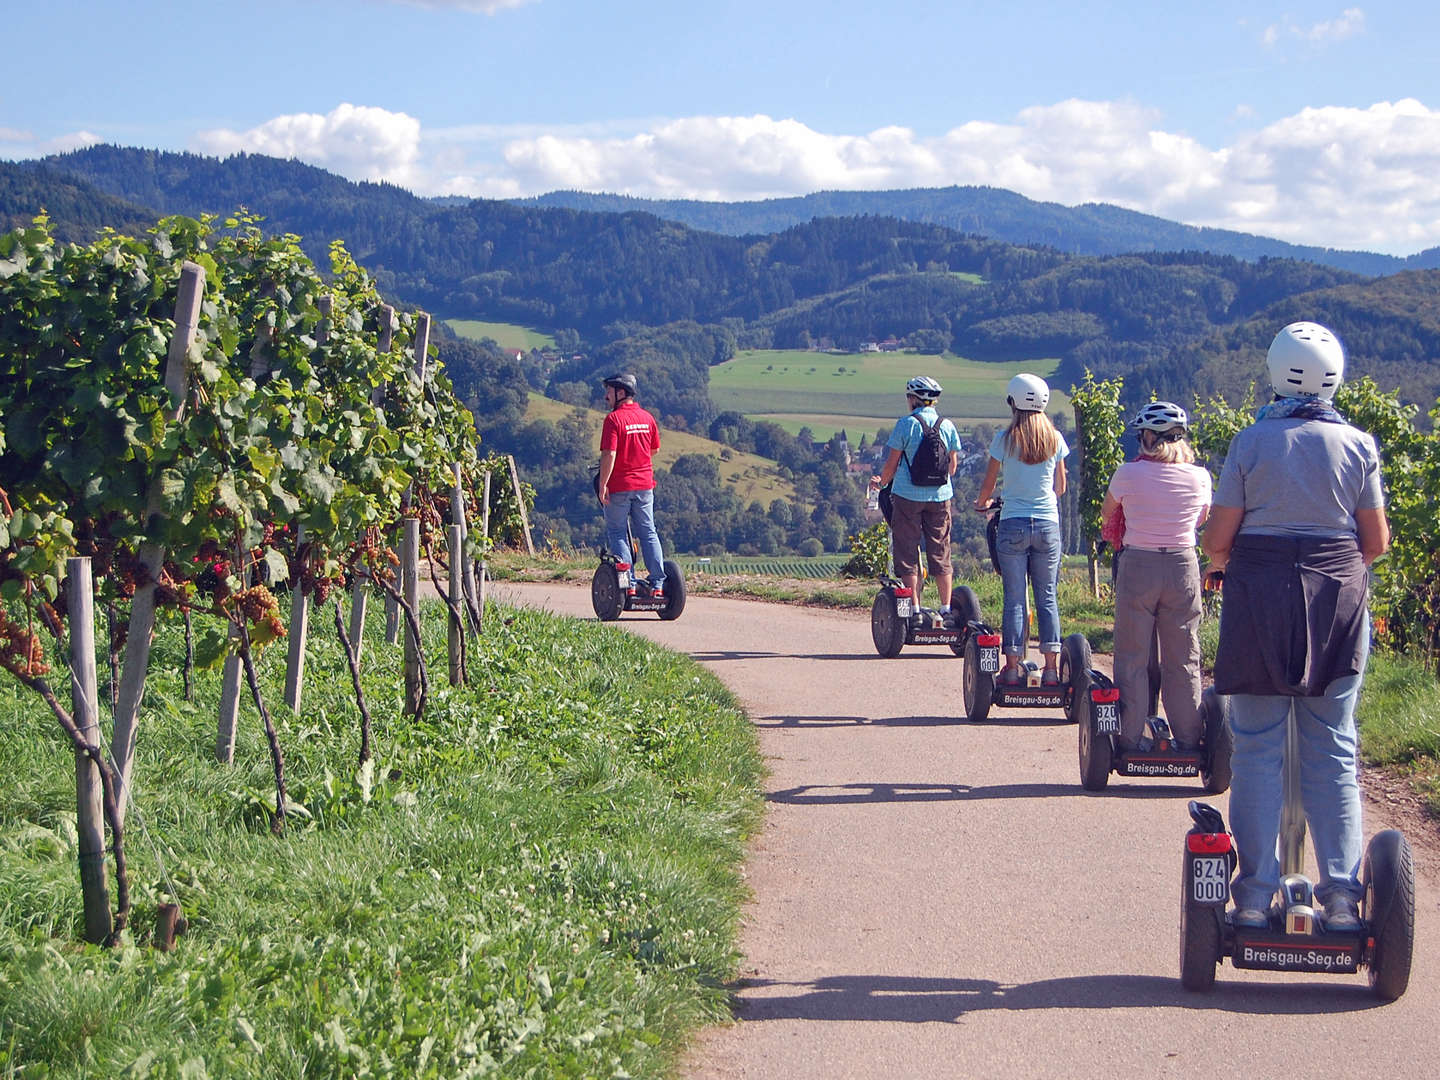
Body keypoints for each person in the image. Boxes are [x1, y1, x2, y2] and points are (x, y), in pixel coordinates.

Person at [1202, 321, 1389, 932]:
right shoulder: (1359, 445)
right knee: (1332, 745)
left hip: (1259, 595)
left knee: (1255, 747)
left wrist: (1231, 557)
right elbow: (1376, 543)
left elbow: (1220, 540)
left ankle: (1254, 897)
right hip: (1336, 593)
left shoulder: (1251, 443)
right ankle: (1339, 896)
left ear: (1275, 370)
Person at [1101, 402, 1211, 750]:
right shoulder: (1200, 477)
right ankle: (1190, 738)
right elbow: (1201, 519)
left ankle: (1130, 737)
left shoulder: (1127, 474)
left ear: (1148, 438)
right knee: (1183, 657)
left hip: (1138, 565)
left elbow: (1109, 513)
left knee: (1132, 655)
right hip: (1183, 566)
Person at [973, 374, 1069, 685]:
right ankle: (1052, 669)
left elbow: (989, 484)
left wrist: (983, 502)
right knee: (1047, 596)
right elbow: (1061, 487)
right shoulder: (1055, 439)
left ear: (1013, 402)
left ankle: (1012, 668)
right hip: (1047, 526)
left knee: (1015, 598)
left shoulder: (1004, 439)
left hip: (1013, 523)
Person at [869, 376, 963, 623]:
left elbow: (891, 465)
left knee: (907, 552)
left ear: (913, 399)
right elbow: (952, 467)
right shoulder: (948, 426)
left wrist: (882, 483)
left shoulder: (906, 425)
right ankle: (945, 608)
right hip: (941, 497)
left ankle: (915, 610)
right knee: (941, 551)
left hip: (907, 497)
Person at [597, 372, 668, 597]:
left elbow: (609, 453)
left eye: (609, 391)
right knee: (648, 532)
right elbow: (654, 449)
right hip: (645, 485)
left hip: (619, 486)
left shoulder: (613, 420)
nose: (606, 396)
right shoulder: (647, 417)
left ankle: (628, 583)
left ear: (620, 393)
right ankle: (657, 585)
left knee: (617, 531)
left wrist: (603, 483)